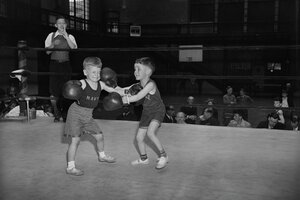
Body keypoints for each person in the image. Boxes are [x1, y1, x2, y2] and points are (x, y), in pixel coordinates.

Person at [64, 57, 122, 176]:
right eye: (93, 72)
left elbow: (115, 90)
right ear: (86, 72)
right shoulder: (83, 83)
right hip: (75, 114)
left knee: (100, 136)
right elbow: (73, 87)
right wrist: (71, 86)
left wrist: (129, 91)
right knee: (75, 141)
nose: (96, 75)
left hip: (88, 116)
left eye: (98, 72)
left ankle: (102, 156)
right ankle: (70, 167)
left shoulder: (101, 84)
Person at [121, 57, 168, 170]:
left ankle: (164, 156)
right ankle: (144, 158)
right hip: (147, 112)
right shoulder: (138, 85)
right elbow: (124, 89)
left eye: (138, 69)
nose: (135, 72)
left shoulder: (150, 85)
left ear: (148, 72)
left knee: (150, 133)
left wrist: (126, 99)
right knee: (139, 137)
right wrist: (111, 88)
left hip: (157, 110)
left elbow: (137, 97)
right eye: (134, 69)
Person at [45, 16, 77, 122]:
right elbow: (47, 52)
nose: (61, 25)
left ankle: (66, 114)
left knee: (67, 90)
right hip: (54, 65)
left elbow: (73, 48)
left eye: (63, 23)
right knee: (54, 91)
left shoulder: (70, 36)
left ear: (66, 25)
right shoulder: (51, 35)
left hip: (66, 65)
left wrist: (66, 36)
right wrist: (54, 44)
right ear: (56, 25)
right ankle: (57, 113)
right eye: (59, 23)